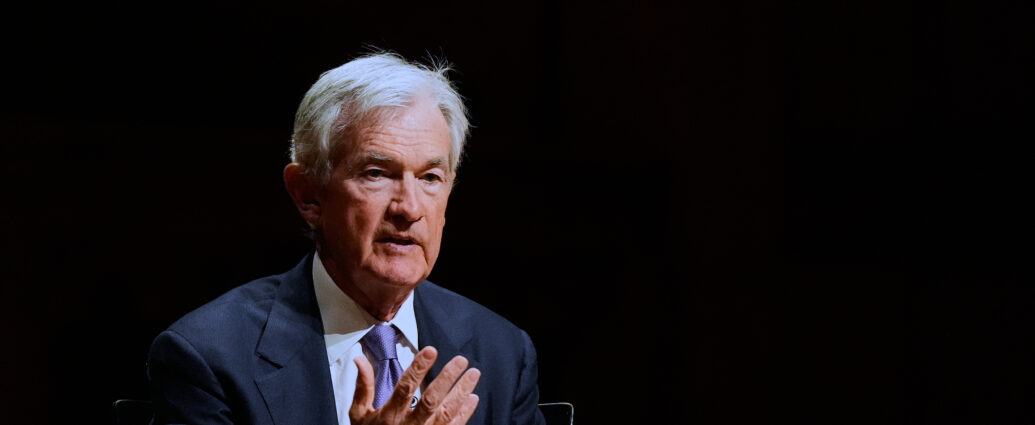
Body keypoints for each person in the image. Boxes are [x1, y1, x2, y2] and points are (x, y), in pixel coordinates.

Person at [147, 53, 547, 425]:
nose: (409, 208)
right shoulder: (209, 357)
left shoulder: (503, 354)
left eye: (430, 177)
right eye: (376, 174)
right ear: (308, 195)